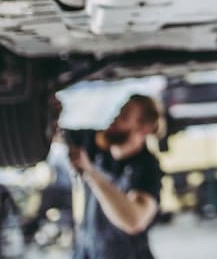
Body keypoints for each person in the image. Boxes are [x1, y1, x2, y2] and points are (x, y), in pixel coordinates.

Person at [66, 95, 164, 259]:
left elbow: (134, 220)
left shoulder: (146, 167)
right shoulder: (93, 144)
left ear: (143, 129)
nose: (115, 119)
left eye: (124, 117)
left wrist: (90, 173)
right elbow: (51, 134)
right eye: (119, 113)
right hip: (87, 251)